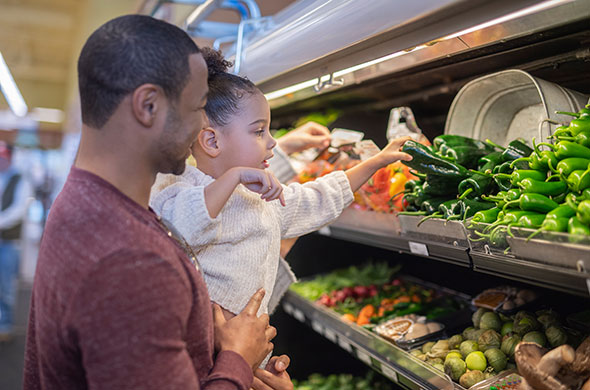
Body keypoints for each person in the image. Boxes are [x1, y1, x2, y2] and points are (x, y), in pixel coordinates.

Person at [23, 15, 292, 390]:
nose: (204, 128)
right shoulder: (131, 259)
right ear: (148, 105)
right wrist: (237, 359)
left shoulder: (85, 202)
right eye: (199, 107)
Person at [150, 48, 412, 320]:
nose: (272, 142)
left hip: (244, 350)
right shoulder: (178, 188)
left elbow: (316, 197)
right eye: (259, 131)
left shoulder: (259, 198)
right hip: (204, 350)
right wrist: (233, 176)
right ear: (212, 141)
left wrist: (375, 163)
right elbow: (181, 229)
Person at [0, 141, 32, 334]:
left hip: (10, 243)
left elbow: (19, 210)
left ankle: (5, 324)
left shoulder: (21, 180)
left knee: (6, 285)